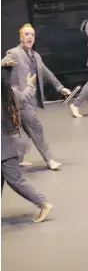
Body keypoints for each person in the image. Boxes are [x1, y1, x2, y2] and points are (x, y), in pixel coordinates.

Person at [1, 23, 71, 170]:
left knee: (18, 133)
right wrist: (5, 63)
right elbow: (4, 61)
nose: (30, 37)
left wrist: (60, 87)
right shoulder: (14, 53)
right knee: (36, 129)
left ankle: (16, 160)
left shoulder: (36, 56)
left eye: (32, 35)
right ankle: (49, 159)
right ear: (20, 37)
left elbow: (46, 72)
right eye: (26, 34)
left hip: (29, 101)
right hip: (18, 99)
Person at [1, 75, 53, 223]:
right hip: (11, 143)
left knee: (15, 180)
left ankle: (43, 203)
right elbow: (25, 96)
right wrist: (30, 84)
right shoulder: (11, 93)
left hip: (6, 147)